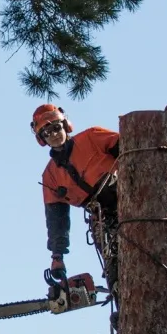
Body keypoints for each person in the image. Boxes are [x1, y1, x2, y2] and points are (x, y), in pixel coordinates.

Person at [31, 104, 120, 288]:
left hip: (128, 199)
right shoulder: (50, 176)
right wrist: (57, 256)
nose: (54, 135)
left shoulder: (92, 137)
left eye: (56, 128)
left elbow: (130, 147)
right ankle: (122, 297)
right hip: (103, 219)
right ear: (42, 139)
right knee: (115, 265)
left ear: (65, 126)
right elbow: (57, 221)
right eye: (47, 133)